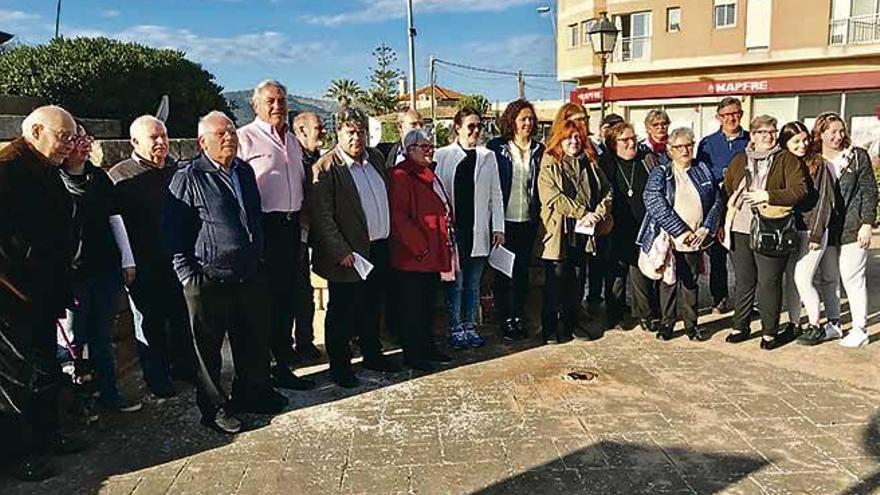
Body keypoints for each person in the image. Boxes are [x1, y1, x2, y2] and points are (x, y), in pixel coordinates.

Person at [164, 111, 287, 434]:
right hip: (208, 277)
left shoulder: (243, 171)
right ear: (202, 142)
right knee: (208, 351)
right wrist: (188, 276)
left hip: (247, 274)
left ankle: (252, 394)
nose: (229, 137)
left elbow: (253, 218)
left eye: (231, 131)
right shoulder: (189, 176)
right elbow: (173, 231)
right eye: (221, 134)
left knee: (252, 340)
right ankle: (214, 409)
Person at [0, 105, 82, 481]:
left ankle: (49, 435)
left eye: (72, 136)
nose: (69, 143)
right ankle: (18, 455)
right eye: (62, 135)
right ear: (34, 131)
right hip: (13, 297)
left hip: (44, 291)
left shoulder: (48, 170)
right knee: (14, 377)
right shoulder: (7, 169)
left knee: (45, 367)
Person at [309, 107, 402, 389]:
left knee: (372, 306)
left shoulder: (374, 157)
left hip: (379, 246)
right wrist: (341, 251)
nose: (356, 138)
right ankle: (340, 366)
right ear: (338, 133)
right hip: (349, 255)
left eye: (360, 132)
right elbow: (322, 217)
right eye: (350, 132)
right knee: (342, 312)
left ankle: (372, 355)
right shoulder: (325, 169)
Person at [237, 80, 315, 391]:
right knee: (262, 304)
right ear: (255, 105)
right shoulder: (245, 139)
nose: (277, 106)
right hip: (263, 229)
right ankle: (261, 370)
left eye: (281, 100)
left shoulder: (293, 141)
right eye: (270, 100)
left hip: (291, 227)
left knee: (287, 301)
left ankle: (283, 366)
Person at [58, 122, 141, 413]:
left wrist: (127, 259)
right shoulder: (54, 181)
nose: (83, 143)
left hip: (105, 268)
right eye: (75, 137)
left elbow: (114, 218)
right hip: (73, 276)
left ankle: (110, 395)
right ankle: (77, 405)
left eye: (85, 137)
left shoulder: (99, 178)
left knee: (103, 338)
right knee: (71, 343)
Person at [109, 115, 193, 398]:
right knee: (149, 322)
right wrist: (126, 262)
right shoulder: (120, 176)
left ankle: (183, 366)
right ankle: (156, 377)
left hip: (176, 259)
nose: (161, 142)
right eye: (153, 138)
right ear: (135, 142)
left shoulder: (176, 170)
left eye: (164, 136)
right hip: (142, 264)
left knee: (181, 316)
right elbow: (114, 223)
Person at [722, 115, 808, 350]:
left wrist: (769, 196)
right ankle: (740, 325)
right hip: (741, 227)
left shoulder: (786, 159)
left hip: (772, 227)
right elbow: (729, 187)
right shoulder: (740, 160)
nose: (768, 136)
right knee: (744, 280)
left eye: (771, 131)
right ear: (752, 135)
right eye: (762, 132)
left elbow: (799, 190)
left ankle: (770, 331)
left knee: (769, 281)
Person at [639, 127, 723, 341]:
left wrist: (707, 227)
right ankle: (667, 323)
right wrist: (679, 230)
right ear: (670, 150)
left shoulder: (702, 169)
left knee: (690, 282)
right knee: (668, 282)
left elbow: (717, 200)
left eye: (689, 145)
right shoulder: (662, 173)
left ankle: (691, 325)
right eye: (679, 146)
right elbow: (653, 201)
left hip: (696, 238)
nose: (685, 150)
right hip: (669, 238)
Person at [435, 107, 505, 349]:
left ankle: (469, 325)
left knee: (473, 282)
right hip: (453, 231)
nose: (476, 131)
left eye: (479, 126)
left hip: (478, 230)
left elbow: (496, 194)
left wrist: (499, 227)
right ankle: (454, 326)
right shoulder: (442, 155)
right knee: (455, 281)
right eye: (470, 126)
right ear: (458, 127)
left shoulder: (487, 156)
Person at [537, 119, 611, 344]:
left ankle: (571, 326)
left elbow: (607, 190)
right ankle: (549, 328)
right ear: (560, 138)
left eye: (578, 137)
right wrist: (582, 212)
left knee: (578, 280)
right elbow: (551, 197)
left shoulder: (590, 161)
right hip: (560, 230)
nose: (574, 141)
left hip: (584, 232)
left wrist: (599, 211)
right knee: (556, 282)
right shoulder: (550, 161)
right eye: (569, 137)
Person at [808, 113, 877, 348]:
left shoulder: (857, 156)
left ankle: (860, 329)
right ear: (820, 134)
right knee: (828, 279)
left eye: (841, 131)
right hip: (827, 228)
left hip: (853, 227)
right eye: (832, 132)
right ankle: (834, 324)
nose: (838, 136)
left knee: (852, 277)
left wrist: (867, 223)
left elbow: (869, 191)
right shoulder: (814, 159)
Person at [388, 129, 455, 371]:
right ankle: (413, 354)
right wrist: (421, 248)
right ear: (410, 149)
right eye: (424, 147)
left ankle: (427, 348)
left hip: (431, 255)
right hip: (413, 257)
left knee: (427, 305)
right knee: (412, 308)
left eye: (431, 146)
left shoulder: (428, 173)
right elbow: (399, 218)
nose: (429, 150)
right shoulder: (401, 175)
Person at [486, 100, 544, 341]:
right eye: (523, 119)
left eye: (531, 119)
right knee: (502, 272)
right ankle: (505, 318)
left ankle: (518, 315)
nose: (527, 123)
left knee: (521, 272)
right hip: (503, 221)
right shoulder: (496, 147)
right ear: (512, 121)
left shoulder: (539, 150)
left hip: (527, 220)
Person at [775, 122, 833, 343]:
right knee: (791, 280)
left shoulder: (819, 166)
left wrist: (817, 235)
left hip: (812, 230)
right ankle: (794, 323)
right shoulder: (783, 163)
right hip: (789, 230)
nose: (802, 145)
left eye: (805, 140)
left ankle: (815, 324)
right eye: (796, 141)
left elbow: (824, 202)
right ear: (785, 143)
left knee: (803, 278)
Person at [600, 121, 660, 332]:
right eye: (625, 139)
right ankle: (614, 316)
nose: (631, 143)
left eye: (633, 138)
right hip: (615, 228)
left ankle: (645, 315)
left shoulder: (647, 160)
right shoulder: (606, 164)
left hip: (642, 227)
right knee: (615, 275)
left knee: (641, 274)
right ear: (613, 143)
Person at [697, 97, 751, 315]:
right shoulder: (707, 143)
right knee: (717, 256)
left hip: (745, 206)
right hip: (718, 204)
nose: (731, 117)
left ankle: (746, 301)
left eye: (735, 113)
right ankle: (719, 298)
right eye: (726, 114)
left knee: (744, 257)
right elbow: (702, 173)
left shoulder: (750, 140)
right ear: (718, 117)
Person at [291, 111, 326, 361]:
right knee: (294, 293)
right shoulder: (292, 159)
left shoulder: (316, 158)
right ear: (301, 131)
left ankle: (306, 341)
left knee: (305, 294)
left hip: (314, 234)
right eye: (318, 127)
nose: (323, 131)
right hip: (293, 237)